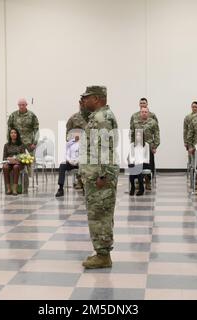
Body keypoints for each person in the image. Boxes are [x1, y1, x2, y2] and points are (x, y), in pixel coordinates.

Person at [79, 85, 119, 269]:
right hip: (96, 175)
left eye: (87, 98)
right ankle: (102, 252)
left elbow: (105, 148)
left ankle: (103, 256)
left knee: (100, 214)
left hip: (100, 177)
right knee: (100, 214)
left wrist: (102, 174)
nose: (84, 100)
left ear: (97, 98)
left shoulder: (101, 118)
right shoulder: (98, 116)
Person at [131, 106, 160, 190]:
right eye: (142, 112)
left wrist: (155, 146)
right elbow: (132, 134)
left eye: (146, 112)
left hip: (149, 147)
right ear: (140, 113)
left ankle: (148, 181)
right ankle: (138, 181)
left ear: (148, 113)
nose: (144, 113)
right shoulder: (135, 122)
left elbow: (157, 135)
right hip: (138, 147)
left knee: (148, 165)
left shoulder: (153, 122)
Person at [66, 100, 88, 190]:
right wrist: (72, 141)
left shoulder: (93, 117)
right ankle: (79, 181)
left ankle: (86, 182)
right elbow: (67, 133)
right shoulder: (74, 118)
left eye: (84, 103)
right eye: (81, 104)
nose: (83, 106)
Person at [55, 132, 81, 198]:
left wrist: (77, 161)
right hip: (70, 162)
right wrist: (69, 160)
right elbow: (66, 154)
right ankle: (60, 189)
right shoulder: (70, 143)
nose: (76, 135)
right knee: (62, 165)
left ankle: (82, 185)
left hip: (79, 163)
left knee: (84, 165)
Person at [3, 128, 26, 196]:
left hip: (19, 163)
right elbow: (4, 157)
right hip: (9, 163)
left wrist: (17, 159)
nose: (13, 134)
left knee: (16, 167)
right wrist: (9, 159)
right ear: (9, 135)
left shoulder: (21, 145)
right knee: (5, 167)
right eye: (11, 133)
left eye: (15, 133)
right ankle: (9, 189)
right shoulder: (6, 145)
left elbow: (24, 157)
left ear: (17, 134)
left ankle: (15, 189)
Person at [127, 130, 150, 196]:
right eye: (137, 135)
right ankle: (133, 187)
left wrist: (140, 163)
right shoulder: (132, 145)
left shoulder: (146, 145)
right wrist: (133, 162)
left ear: (142, 136)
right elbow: (131, 157)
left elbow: (147, 158)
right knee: (132, 167)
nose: (138, 137)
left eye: (140, 135)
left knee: (137, 168)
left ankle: (140, 188)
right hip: (135, 164)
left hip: (144, 163)